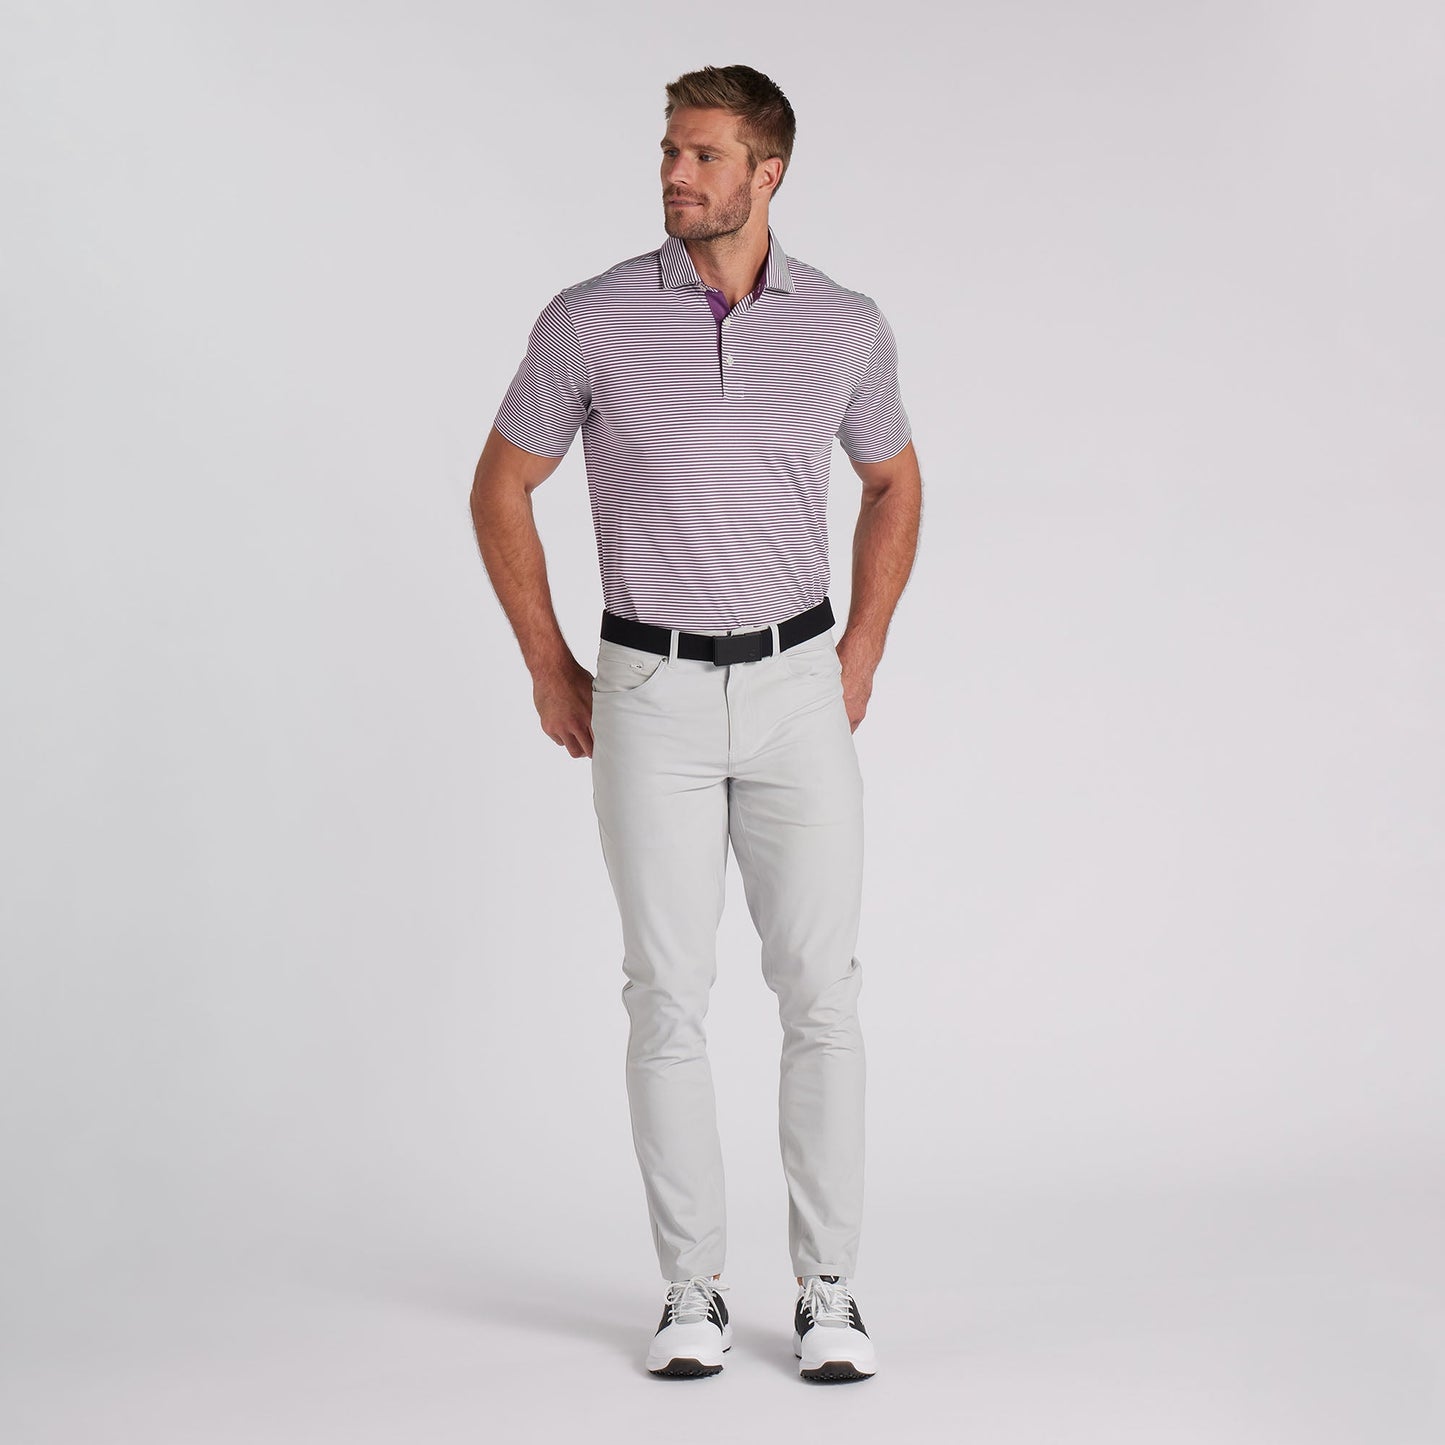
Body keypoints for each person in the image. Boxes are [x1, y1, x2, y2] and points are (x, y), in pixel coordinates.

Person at [470, 63, 921, 1382]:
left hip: (795, 687)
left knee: (820, 993)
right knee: (664, 993)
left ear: (767, 173)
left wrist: (861, 651)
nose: (676, 173)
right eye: (670, 149)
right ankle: (691, 1286)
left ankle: (829, 1291)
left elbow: (893, 481)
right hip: (649, 692)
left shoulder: (844, 325)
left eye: (704, 155)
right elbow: (501, 486)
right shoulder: (591, 318)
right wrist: (549, 666)